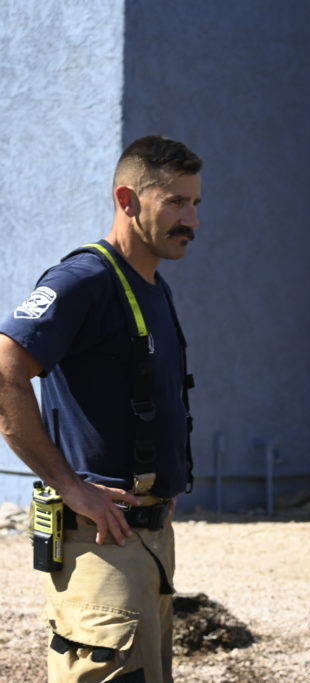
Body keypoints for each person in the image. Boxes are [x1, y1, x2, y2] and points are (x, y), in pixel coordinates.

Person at [0, 135, 201, 681]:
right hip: (99, 545)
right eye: (175, 203)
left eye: (195, 203)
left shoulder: (153, 286)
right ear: (127, 200)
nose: (191, 220)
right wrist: (69, 486)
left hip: (149, 544)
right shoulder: (82, 281)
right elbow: (5, 372)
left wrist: (161, 488)